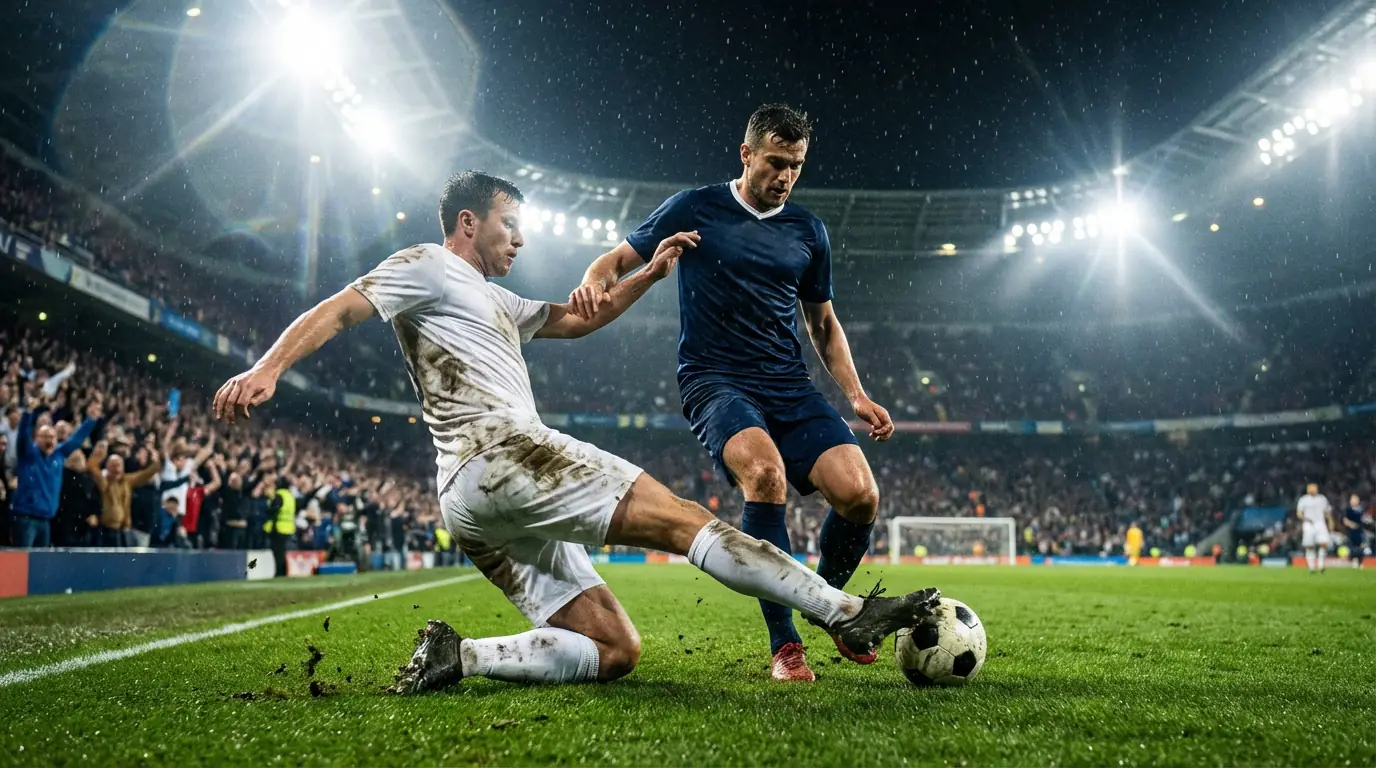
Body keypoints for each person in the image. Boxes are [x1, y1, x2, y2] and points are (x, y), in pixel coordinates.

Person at [212, 170, 939, 693]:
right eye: (508, 225)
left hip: (468, 504)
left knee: (615, 649)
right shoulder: (426, 266)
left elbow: (577, 318)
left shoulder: (492, 299)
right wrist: (267, 369)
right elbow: (342, 308)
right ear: (469, 223)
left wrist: (649, 274)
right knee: (687, 522)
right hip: (503, 454)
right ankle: (846, 612)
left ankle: (458, 657)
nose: (520, 240)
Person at [572, 104, 894, 680]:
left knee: (861, 495)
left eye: (795, 166)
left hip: (788, 383)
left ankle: (831, 609)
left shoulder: (807, 231)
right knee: (765, 477)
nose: (786, 177)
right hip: (715, 378)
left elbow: (822, 323)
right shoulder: (696, 205)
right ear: (746, 155)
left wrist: (857, 395)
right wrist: (594, 281)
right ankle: (785, 644)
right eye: (775, 162)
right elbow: (616, 259)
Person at [9, 395, 101, 547]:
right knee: (21, 565)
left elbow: (76, 440)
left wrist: (90, 420)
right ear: (36, 439)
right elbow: (23, 436)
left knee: (40, 566)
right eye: (45, 436)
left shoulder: (58, 453)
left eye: (52, 437)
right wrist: (28, 413)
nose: (50, 440)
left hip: (46, 520)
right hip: (26, 519)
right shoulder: (28, 454)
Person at [86, 440, 163, 547]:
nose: (116, 469)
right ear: (107, 467)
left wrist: (155, 459)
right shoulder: (104, 481)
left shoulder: (127, 481)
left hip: (121, 530)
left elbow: (146, 474)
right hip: (104, 530)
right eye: (113, 466)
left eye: (118, 466)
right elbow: (92, 467)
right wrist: (99, 454)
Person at [1297, 483, 1333, 574]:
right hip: (1308, 524)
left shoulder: (1322, 499)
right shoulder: (1303, 499)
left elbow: (1327, 512)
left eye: (1314, 488)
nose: (1313, 490)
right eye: (1311, 488)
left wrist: (1331, 521)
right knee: (1309, 546)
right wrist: (1305, 518)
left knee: (1324, 543)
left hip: (1320, 523)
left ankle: (1321, 565)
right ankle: (1311, 567)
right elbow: (1299, 513)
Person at [1342, 494, 1366, 569]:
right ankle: (1354, 560)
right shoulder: (1348, 510)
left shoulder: (1361, 510)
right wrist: (1351, 524)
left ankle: (1360, 561)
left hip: (1360, 531)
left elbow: (1364, 520)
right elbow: (1344, 520)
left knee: (1361, 546)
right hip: (1351, 531)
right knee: (1352, 546)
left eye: (1356, 499)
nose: (1354, 501)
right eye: (1353, 499)